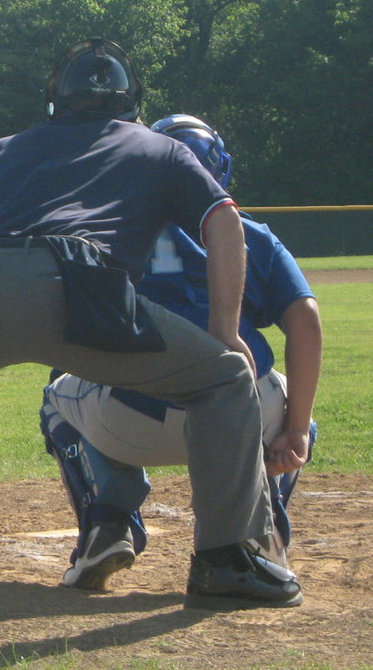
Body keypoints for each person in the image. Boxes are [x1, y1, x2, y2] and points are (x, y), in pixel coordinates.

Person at [0, 37, 303, 611]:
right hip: (82, 289)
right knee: (222, 380)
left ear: (56, 98)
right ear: (132, 100)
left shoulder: (2, 149)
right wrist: (226, 331)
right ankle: (225, 560)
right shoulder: (160, 148)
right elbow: (223, 220)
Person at [40, 114, 321, 590]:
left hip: (132, 415)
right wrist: (294, 430)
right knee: (297, 410)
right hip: (240, 420)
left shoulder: (108, 230)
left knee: (55, 396)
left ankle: (106, 522)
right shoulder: (249, 233)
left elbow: (72, 328)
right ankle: (260, 531)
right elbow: (306, 324)